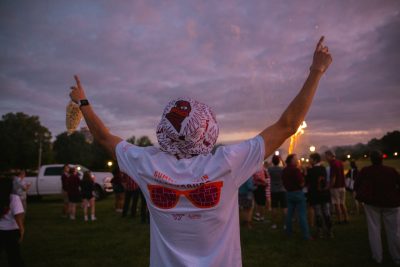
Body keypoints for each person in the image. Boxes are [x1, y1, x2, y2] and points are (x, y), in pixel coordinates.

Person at [69, 36, 331, 266]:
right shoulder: (228, 163)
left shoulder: (146, 163)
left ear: (164, 129)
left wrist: (82, 101)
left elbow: (103, 138)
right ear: (207, 129)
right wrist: (317, 70)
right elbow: (287, 126)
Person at [354, 151, 400, 265]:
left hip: (372, 203)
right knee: (394, 231)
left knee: (374, 230)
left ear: (371, 159)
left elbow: (356, 185)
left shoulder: (366, 171)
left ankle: (377, 257)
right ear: (382, 159)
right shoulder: (391, 170)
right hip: (391, 203)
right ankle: (397, 257)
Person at [282, 154, 312, 240]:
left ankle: (288, 232)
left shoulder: (284, 170)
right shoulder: (295, 170)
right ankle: (306, 235)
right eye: (295, 159)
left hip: (289, 194)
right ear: (291, 160)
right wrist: (305, 178)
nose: (297, 160)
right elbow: (301, 183)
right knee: (302, 214)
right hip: (298, 193)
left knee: (289, 214)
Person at [306, 153, 333, 238]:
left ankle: (320, 231)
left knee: (318, 213)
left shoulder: (311, 170)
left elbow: (307, 183)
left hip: (315, 194)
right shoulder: (324, 169)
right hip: (324, 193)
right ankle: (329, 231)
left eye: (310, 159)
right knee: (326, 212)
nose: (309, 161)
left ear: (314, 160)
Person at [0, 177, 25, 267]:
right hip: (11, 231)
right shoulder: (14, 198)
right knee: (14, 256)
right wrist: (22, 230)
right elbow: (18, 216)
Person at [325, 150, 349, 224]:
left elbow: (333, 178)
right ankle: (346, 219)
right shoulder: (339, 163)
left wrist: (329, 187)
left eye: (326, 156)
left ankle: (340, 220)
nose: (326, 158)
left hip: (336, 187)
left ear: (330, 156)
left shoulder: (333, 164)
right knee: (342, 203)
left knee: (336, 204)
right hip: (342, 186)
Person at [268, 155, 287, 230]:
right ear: (279, 161)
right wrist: (281, 159)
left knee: (274, 207)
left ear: (273, 162)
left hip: (273, 190)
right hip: (282, 190)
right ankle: (285, 224)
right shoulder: (282, 169)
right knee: (284, 207)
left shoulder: (270, 169)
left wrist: (271, 161)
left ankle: (274, 224)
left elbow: (267, 167)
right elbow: (285, 166)